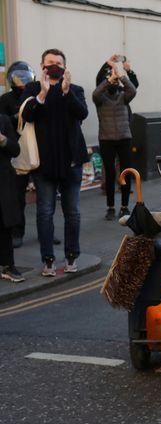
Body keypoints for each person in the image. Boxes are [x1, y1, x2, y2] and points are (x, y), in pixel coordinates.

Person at [21, 48, 88, 277]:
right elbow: (27, 115)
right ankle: (48, 260)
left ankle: (71, 256)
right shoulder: (32, 89)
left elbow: (83, 114)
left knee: (73, 212)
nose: (54, 66)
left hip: (71, 162)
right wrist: (42, 93)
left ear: (65, 67)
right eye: (50, 63)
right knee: (44, 212)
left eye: (59, 63)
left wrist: (67, 92)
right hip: (43, 164)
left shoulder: (76, 90)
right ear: (42, 66)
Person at [93, 56, 137, 221]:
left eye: (114, 81)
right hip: (106, 140)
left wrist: (122, 76)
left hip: (124, 138)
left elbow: (133, 90)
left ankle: (124, 207)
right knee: (110, 173)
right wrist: (108, 79)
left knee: (125, 173)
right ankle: (110, 207)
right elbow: (95, 92)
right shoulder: (100, 99)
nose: (112, 83)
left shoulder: (123, 96)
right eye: (110, 81)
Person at [0, 61, 35, 249]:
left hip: (36, 150)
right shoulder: (5, 100)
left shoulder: (35, 95)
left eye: (24, 76)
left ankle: (47, 231)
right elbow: (3, 125)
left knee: (47, 198)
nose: (21, 80)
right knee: (18, 196)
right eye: (17, 76)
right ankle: (17, 231)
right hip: (17, 152)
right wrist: (16, 117)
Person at [0, 113, 23, 282]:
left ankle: (8, 265)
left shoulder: (3, 120)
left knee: (4, 224)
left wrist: (3, 140)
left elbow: (16, 150)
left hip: (3, 179)